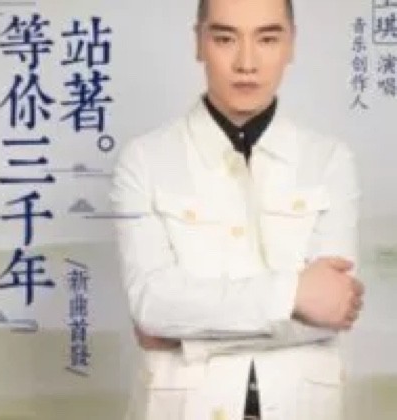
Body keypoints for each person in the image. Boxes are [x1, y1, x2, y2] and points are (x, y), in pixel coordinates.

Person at [111, 0, 364, 419]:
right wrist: (294, 295)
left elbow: (332, 308)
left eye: (267, 39)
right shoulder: (144, 160)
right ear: (199, 43)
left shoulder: (330, 161)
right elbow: (153, 305)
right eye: (225, 39)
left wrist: (188, 336)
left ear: (291, 44)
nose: (247, 63)